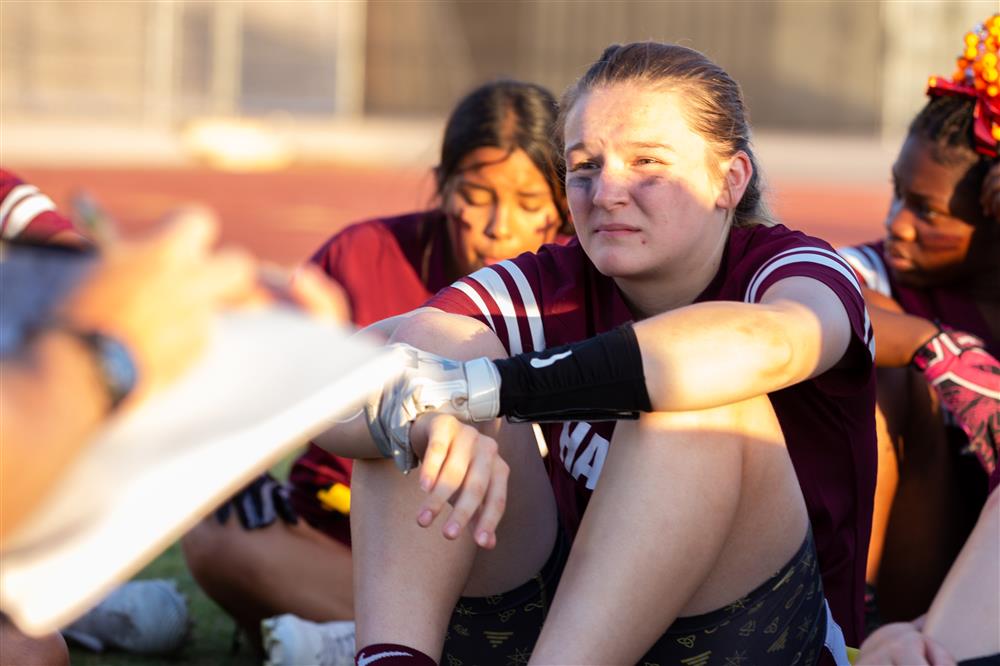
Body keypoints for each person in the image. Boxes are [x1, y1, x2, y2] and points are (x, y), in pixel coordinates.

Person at [314, 42, 876, 665]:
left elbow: (769, 343)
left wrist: (489, 387)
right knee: (418, 377)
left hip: (757, 641)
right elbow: (333, 383)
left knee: (697, 403)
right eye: (585, 166)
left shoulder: (791, 267)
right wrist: (433, 416)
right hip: (572, 629)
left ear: (730, 179)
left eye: (647, 164)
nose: (606, 191)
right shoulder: (551, 281)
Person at [180, 79, 572, 660]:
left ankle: (357, 639)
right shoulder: (364, 253)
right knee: (214, 530)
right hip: (334, 541)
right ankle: (381, 636)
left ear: (562, 208)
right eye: (476, 193)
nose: (499, 225)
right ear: (441, 186)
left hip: (495, 550)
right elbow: (274, 376)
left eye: (529, 203)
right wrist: (241, 457)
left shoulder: (569, 281)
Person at [0, 206, 344, 666]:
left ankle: (48, 594)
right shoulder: (362, 251)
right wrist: (109, 353)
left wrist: (122, 282)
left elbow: (63, 244)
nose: (477, 226)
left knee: (30, 654)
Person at [838, 14, 1000, 624]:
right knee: (894, 373)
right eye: (897, 192)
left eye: (927, 211)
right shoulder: (881, 275)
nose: (897, 222)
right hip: (922, 589)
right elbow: (829, 293)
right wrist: (945, 349)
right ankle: (855, 625)